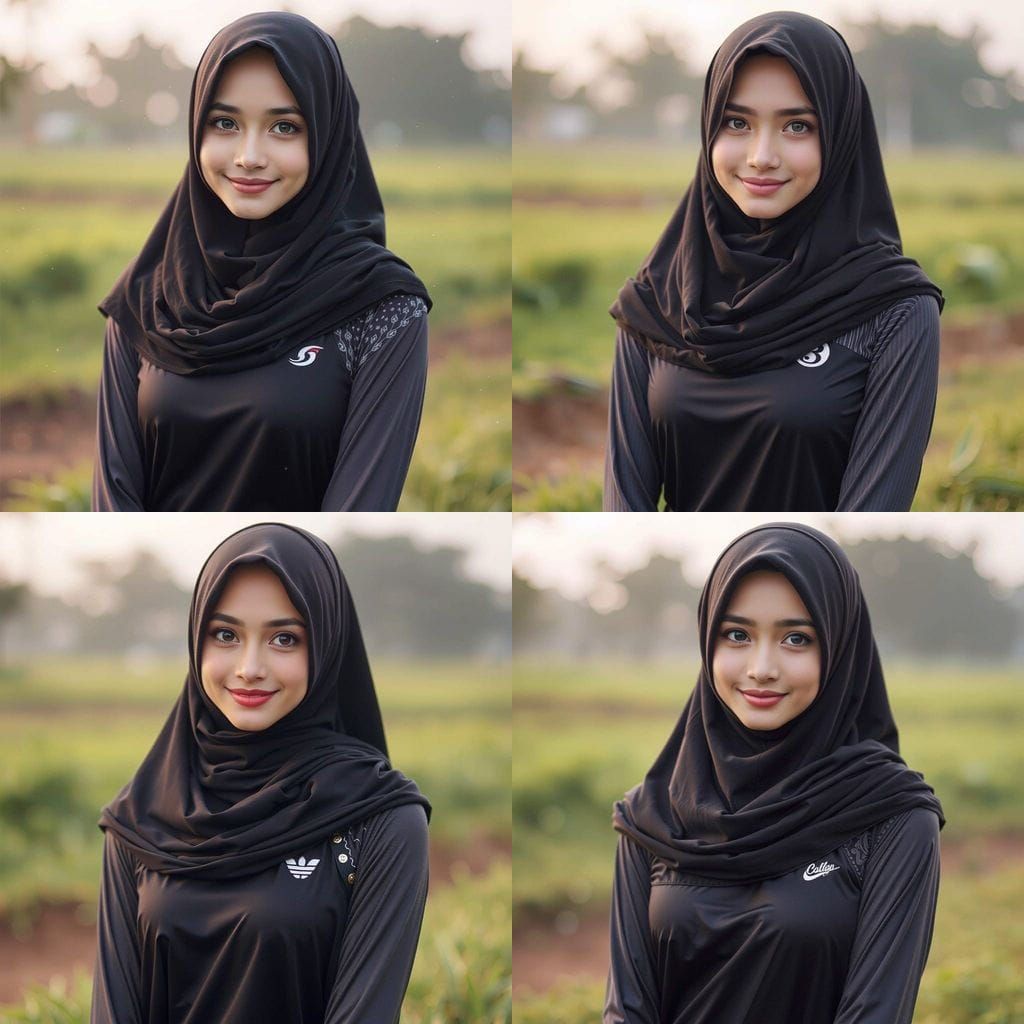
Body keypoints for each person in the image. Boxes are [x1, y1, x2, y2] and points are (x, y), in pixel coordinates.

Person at [90, 523, 431, 1024]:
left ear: (328, 647)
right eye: (225, 634)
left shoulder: (380, 820)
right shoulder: (141, 817)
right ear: (196, 643)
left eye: (284, 638)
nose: (250, 667)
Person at [605, 523, 945, 1023]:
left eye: (796, 638)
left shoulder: (892, 818)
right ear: (708, 643)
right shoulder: (652, 817)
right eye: (737, 634)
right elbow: (627, 1011)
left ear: (840, 650)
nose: (762, 667)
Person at [605, 12, 944, 512]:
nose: (762, 155)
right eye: (737, 122)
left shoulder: (894, 312)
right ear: (709, 130)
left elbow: (873, 512)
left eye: (797, 126)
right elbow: (623, 510)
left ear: (841, 136)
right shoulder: (659, 299)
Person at [92, 12, 432, 512]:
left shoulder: (381, 307)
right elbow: (113, 506)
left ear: (329, 137)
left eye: (284, 127)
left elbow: (361, 509)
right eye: (225, 123)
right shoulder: (148, 299)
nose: (249, 155)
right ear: (196, 130)